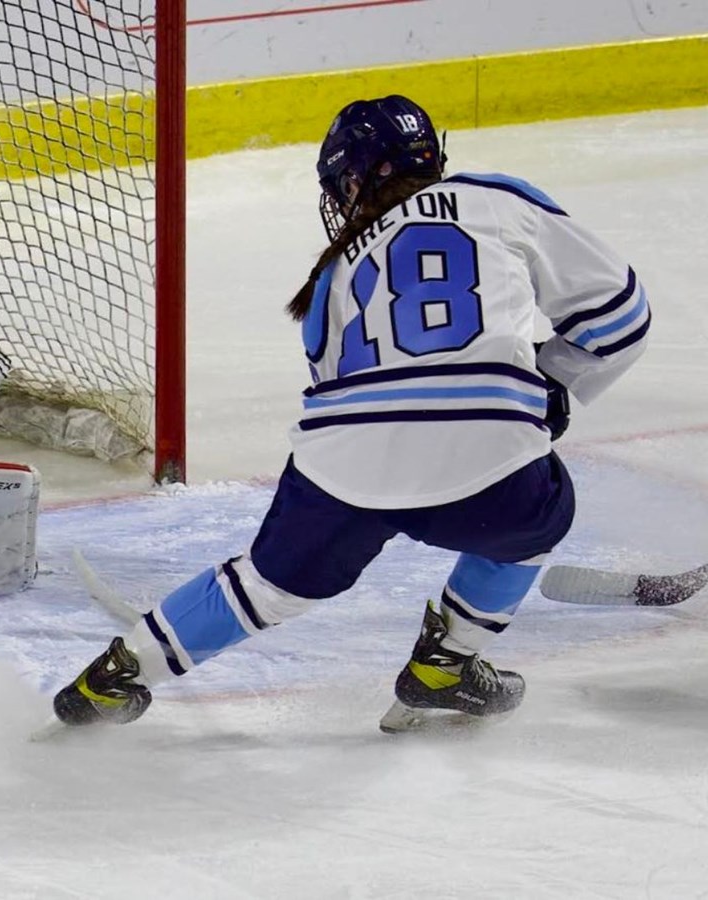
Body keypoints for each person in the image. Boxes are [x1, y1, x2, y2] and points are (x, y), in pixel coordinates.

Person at [53, 95, 651, 734]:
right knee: (536, 519)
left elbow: (355, 391)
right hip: (490, 461)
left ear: (354, 180)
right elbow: (620, 318)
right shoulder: (494, 198)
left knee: (266, 586)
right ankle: (446, 663)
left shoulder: (329, 278)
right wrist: (551, 386)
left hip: (342, 464)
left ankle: (118, 675)